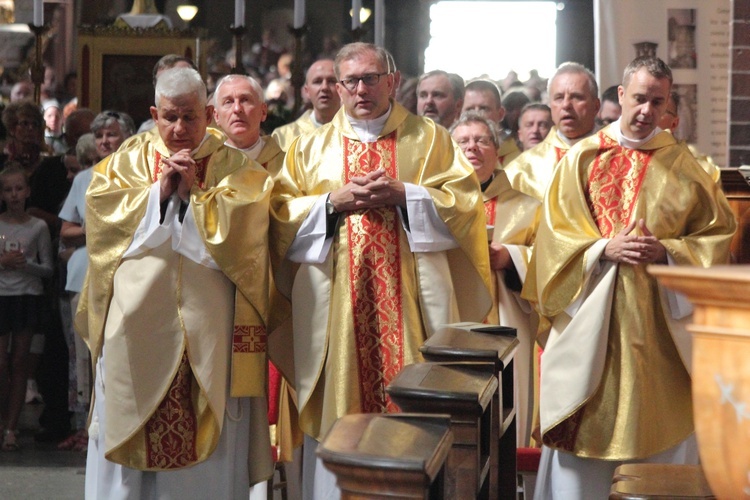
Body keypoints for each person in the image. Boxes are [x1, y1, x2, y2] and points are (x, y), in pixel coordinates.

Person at [270, 42, 492, 499]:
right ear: (336, 86)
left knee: (414, 418)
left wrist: (407, 195)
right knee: (339, 414)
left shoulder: (429, 139)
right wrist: (333, 203)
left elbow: (465, 207)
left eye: (371, 78)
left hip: (409, 306)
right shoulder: (308, 147)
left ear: (392, 81)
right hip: (336, 315)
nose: (360, 89)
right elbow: (278, 216)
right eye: (349, 80)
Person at [523, 56, 737, 499]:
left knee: (660, 437)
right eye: (639, 98)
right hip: (591, 327)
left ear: (667, 104)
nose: (646, 111)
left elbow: (716, 238)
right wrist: (603, 249)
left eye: (657, 102)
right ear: (620, 96)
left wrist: (669, 252)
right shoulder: (582, 159)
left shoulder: (687, 167)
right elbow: (553, 241)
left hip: (660, 336)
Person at [75, 66, 273, 498]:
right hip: (135, 323)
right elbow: (101, 221)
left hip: (208, 330)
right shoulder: (127, 159)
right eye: (170, 117)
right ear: (154, 112)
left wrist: (193, 201)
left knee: (206, 463)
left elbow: (249, 234)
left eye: (190, 116)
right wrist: (158, 196)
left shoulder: (235, 165)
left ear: (208, 113)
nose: (180, 128)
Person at [450, 112, 540, 446]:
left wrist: (512, 258)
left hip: (509, 323)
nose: (472, 147)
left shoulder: (528, 207)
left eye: (481, 140)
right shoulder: (435, 204)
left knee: (505, 421)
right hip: (453, 324)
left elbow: (550, 263)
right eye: (463, 141)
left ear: (497, 150)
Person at [0, 165, 54, 451]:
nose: (14, 195)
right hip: (2, 296)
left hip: (26, 296)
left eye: (19, 188)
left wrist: (26, 265)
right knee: (1, 364)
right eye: (8, 190)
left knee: (20, 363)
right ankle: (3, 419)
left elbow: (47, 269)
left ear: (27, 191)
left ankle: (12, 426)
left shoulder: (38, 227)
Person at [504, 62, 601, 202]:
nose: (566, 105)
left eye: (576, 97)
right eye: (559, 98)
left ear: (596, 106)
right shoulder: (522, 170)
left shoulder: (619, 155)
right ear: (550, 106)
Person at [272, 59, 341, 152]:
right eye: (317, 81)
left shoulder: (355, 132)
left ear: (341, 89)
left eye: (331, 81)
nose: (324, 87)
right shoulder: (283, 136)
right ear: (307, 91)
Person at [658, 91, 721, 184]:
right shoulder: (629, 160)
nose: (647, 113)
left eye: (659, 109)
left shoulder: (701, 169)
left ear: (674, 123)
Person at [462, 79, 521, 167]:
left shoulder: (518, 161)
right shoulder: (449, 155)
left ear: (500, 114)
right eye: (470, 109)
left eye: (484, 108)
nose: (476, 115)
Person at [136, 54, 198, 134]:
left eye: (181, 80)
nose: (173, 89)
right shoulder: (142, 142)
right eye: (165, 83)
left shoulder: (216, 137)